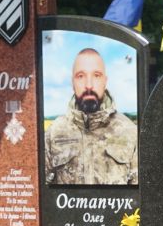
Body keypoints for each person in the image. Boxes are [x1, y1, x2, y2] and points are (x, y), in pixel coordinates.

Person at [43, 48, 138, 185]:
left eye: (96, 75)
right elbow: (42, 191)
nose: (89, 85)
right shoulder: (53, 134)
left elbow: (139, 193)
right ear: (72, 83)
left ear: (105, 81)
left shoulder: (130, 132)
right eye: (81, 76)